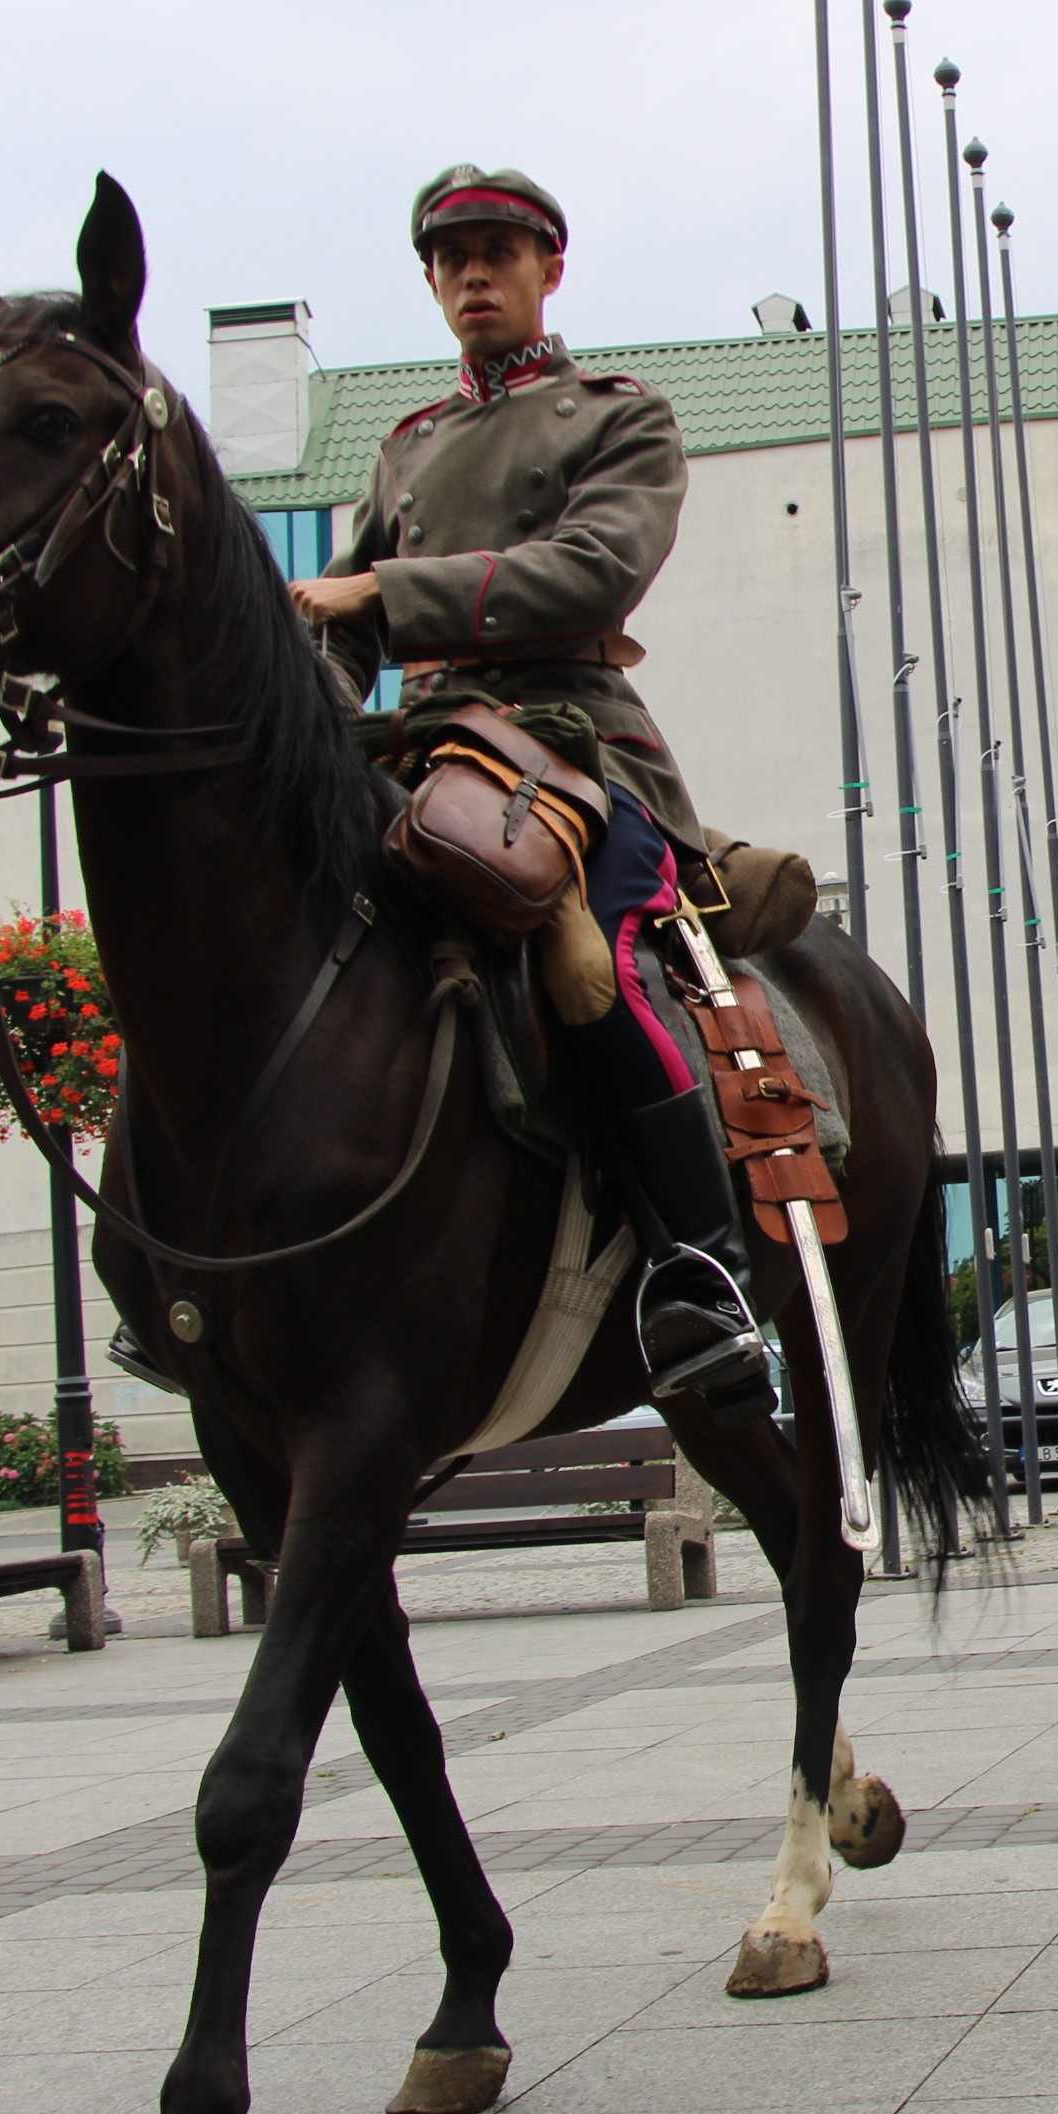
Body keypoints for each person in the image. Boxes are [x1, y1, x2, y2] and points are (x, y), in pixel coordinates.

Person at [293, 166, 774, 1425]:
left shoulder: (615, 415)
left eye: (498, 252)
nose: (472, 275)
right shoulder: (406, 447)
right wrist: (305, 698)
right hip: (417, 743)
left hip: (571, 741)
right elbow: (340, 637)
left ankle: (705, 1265)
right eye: (450, 259)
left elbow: (590, 569)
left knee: (595, 962)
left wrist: (384, 600)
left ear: (549, 268)